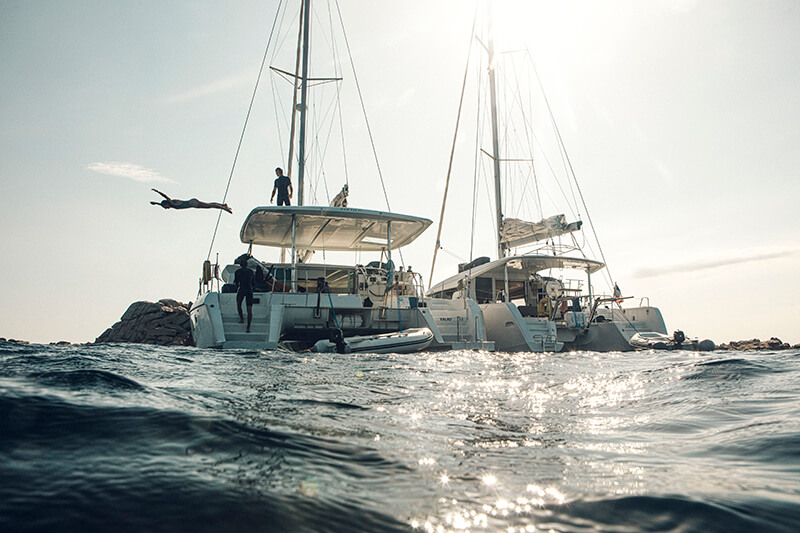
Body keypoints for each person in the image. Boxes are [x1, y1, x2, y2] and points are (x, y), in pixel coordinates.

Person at [150, 189, 232, 213]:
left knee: (210, 206)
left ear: (167, 204)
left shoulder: (172, 203)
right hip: (192, 203)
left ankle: (223, 208)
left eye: (165, 207)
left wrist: (157, 192)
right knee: (209, 205)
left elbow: (165, 197)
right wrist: (155, 203)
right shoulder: (171, 204)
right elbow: (162, 204)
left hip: (192, 203)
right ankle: (223, 205)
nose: (166, 209)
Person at [233, 256, 255, 333]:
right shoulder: (250, 271)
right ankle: (248, 327)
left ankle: (242, 319)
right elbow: (253, 283)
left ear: (240, 265)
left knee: (239, 304)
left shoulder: (237, 272)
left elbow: (236, 282)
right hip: (249, 289)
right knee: (249, 309)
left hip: (242, 289)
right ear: (247, 264)